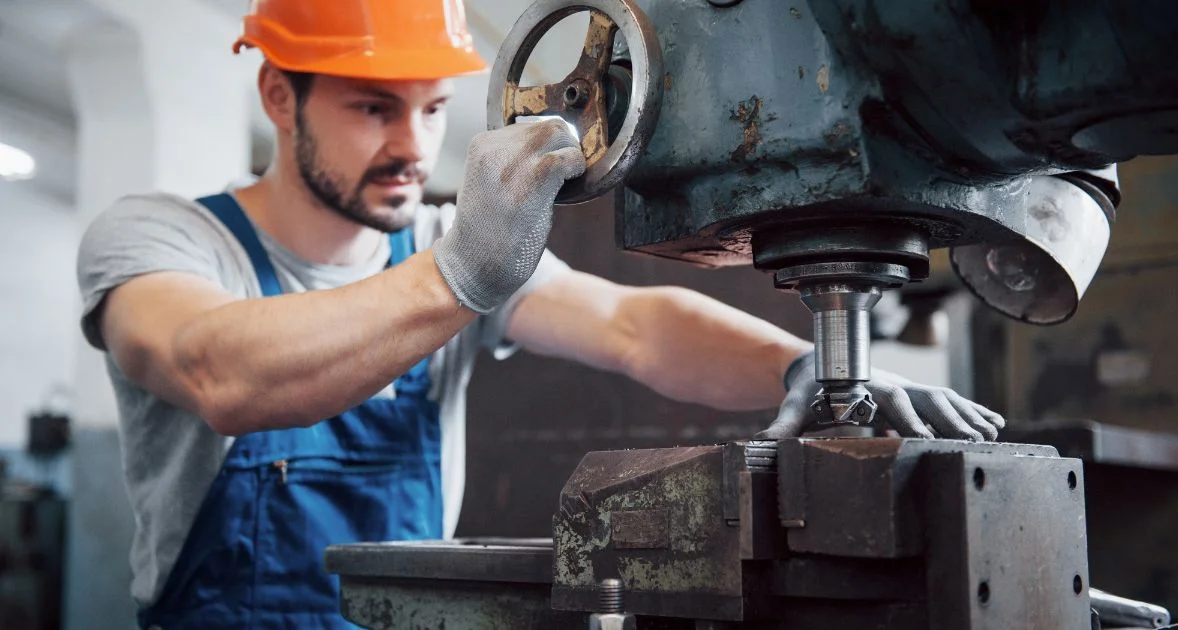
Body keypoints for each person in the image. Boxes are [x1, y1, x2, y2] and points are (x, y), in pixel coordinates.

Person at [74, 1, 1005, 627]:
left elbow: (636, 328)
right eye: (372, 108)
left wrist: (803, 365)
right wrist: (463, 272)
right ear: (281, 96)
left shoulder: (435, 247)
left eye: (434, 110)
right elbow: (219, 373)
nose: (413, 146)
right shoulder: (160, 239)